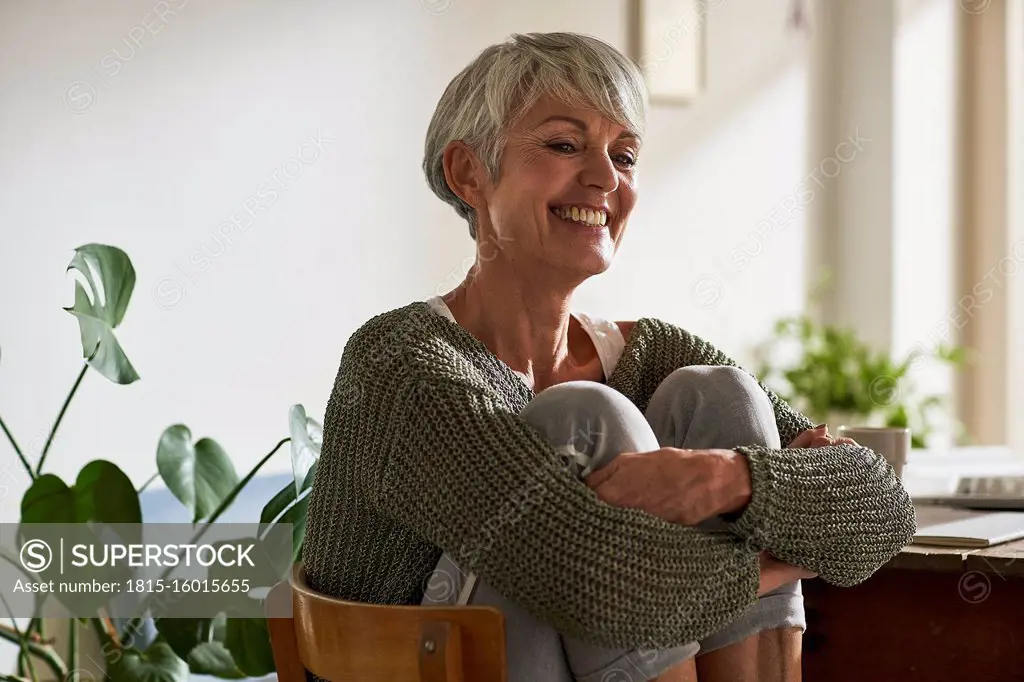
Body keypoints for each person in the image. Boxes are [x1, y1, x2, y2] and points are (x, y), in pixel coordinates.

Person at [302, 32, 917, 682]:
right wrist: (794, 552)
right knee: (586, 417)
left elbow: (882, 512)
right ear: (468, 173)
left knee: (721, 395)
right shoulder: (403, 363)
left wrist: (724, 478)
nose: (604, 179)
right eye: (564, 145)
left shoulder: (655, 352)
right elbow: (610, 593)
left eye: (624, 156)